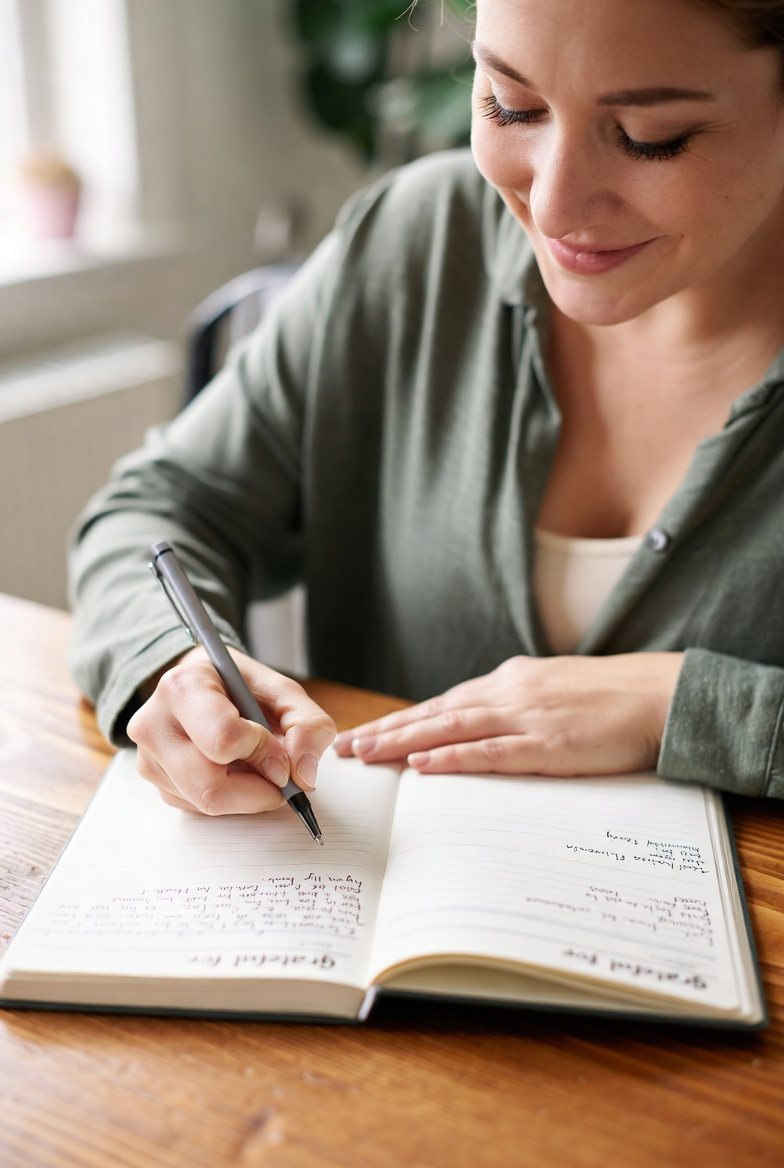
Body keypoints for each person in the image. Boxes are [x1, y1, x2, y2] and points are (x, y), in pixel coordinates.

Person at [69, 0, 784, 815]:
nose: (552, 207)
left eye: (650, 137)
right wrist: (174, 665)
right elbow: (158, 510)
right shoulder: (418, 240)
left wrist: (682, 707)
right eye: (510, 104)